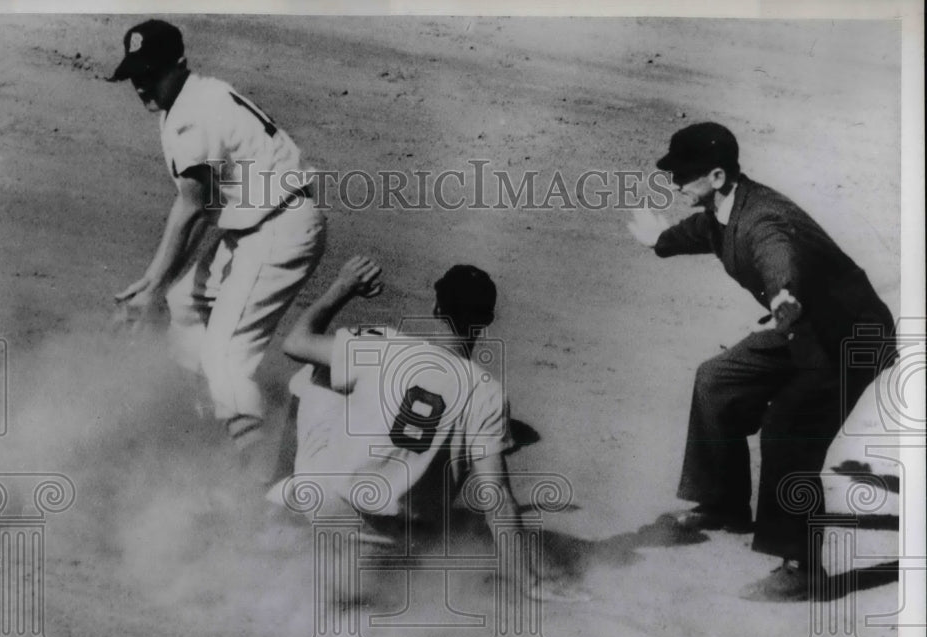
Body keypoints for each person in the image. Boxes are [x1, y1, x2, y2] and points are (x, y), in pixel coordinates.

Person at [628, 122, 895, 601]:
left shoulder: (763, 219)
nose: (673, 183)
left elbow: (777, 255)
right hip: (798, 324)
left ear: (715, 175)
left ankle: (802, 567)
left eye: (682, 175)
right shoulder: (723, 207)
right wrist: (659, 242)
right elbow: (703, 232)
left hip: (847, 339)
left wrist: (782, 297)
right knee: (718, 380)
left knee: (789, 428)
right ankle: (725, 501)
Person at [276, 255, 568, 600]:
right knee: (467, 448)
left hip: (328, 520)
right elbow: (496, 496)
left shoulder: (383, 344)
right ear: (487, 320)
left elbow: (295, 343)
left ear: (434, 307)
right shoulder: (488, 392)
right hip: (395, 552)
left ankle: (281, 501)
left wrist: (343, 288)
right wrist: (530, 582)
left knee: (314, 376)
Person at [108, 19, 326, 466]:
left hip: (281, 230)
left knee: (226, 359)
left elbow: (191, 208)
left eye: (151, 74)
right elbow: (202, 213)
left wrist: (150, 283)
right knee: (184, 303)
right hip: (259, 224)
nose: (142, 86)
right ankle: (210, 422)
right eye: (136, 75)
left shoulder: (191, 117)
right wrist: (157, 283)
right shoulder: (193, 95)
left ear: (179, 65)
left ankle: (261, 485)